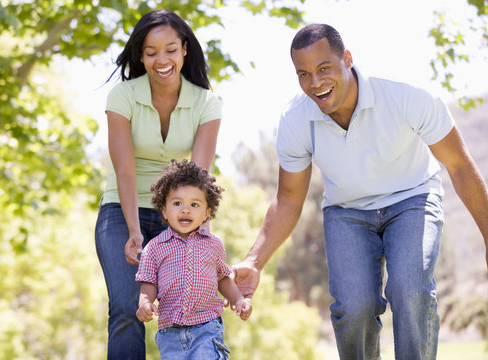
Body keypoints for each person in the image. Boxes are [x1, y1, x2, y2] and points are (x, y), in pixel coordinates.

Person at [232, 23, 488, 360]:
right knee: (354, 308)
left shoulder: (404, 94)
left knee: (410, 290)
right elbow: (289, 199)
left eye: (324, 68)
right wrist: (254, 260)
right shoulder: (296, 119)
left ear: (347, 59)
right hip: (347, 211)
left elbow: (459, 166)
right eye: (303, 74)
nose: (315, 82)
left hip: (412, 198)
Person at [94, 10, 222, 359]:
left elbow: (198, 178)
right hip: (122, 210)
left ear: (184, 49)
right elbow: (124, 169)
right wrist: (135, 231)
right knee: (126, 307)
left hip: (176, 213)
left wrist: (198, 235)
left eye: (169, 50)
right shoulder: (122, 96)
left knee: (189, 306)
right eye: (150, 52)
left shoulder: (207, 103)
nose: (160, 60)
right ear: (140, 55)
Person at [135, 159, 252, 359]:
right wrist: (144, 304)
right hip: (169, 332)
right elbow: (149, 283)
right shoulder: (154, 248)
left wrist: (239, 299)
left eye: (194, 204)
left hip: (207, 328)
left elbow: (223, 278)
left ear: (207, 213)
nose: (186, 209)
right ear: (164, 209)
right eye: (177, 203)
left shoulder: (213, 245)